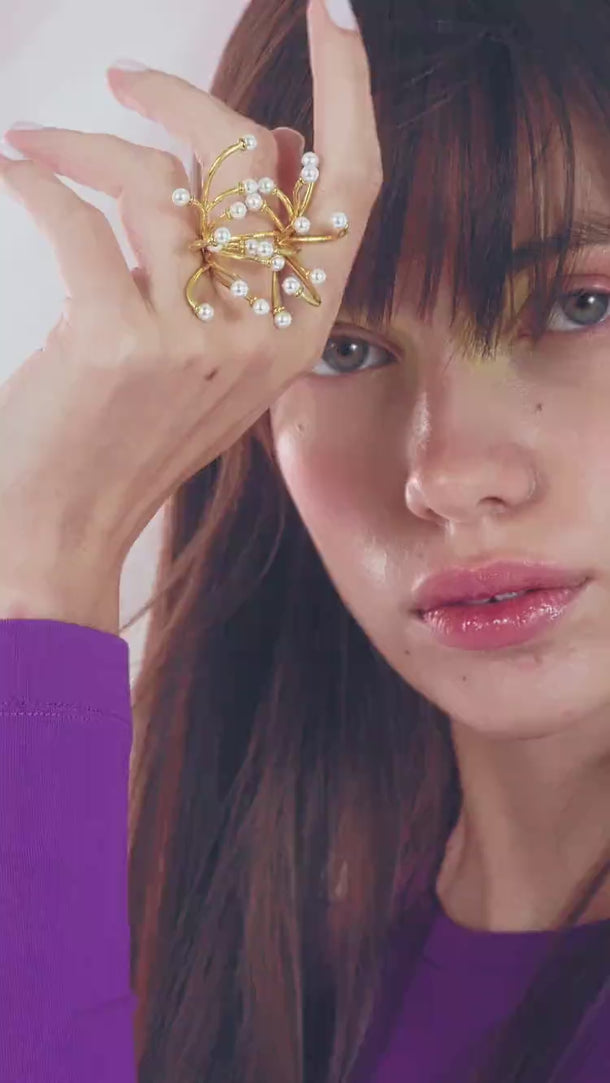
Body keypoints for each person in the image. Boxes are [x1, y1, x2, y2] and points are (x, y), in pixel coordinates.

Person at [1, 0, 610, 1080]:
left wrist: (46, 570)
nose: (447, 473)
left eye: (580, 305)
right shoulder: (227, 949)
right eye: (342, 348)